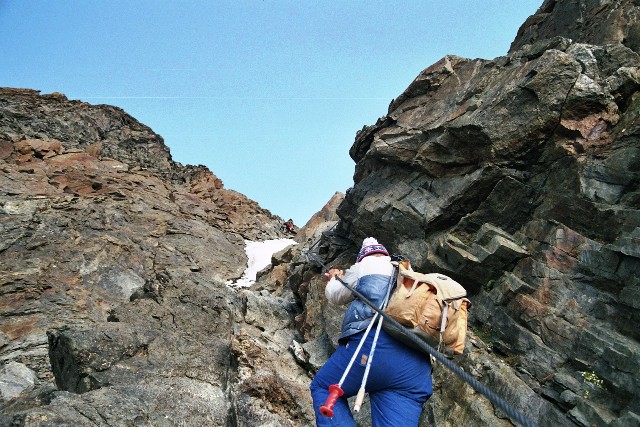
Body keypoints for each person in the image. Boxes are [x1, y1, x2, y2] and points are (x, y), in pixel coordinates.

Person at [309, 238, 433, 426]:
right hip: (416, 368)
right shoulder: (411, 276)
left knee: (324, 387)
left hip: (375, 348)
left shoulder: (366, 264)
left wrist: (336, 278)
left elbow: (335, 294)